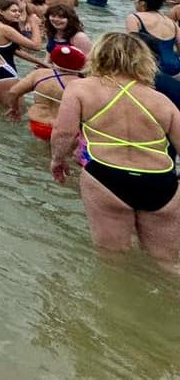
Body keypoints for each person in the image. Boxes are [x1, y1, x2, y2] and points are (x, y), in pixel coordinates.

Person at [49, 32, 180, 265]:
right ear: (143, 60)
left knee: (113, 259)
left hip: (106, 176)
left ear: (99, 55)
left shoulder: (81, 89)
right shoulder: (161, 101)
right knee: (168, 262)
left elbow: (64, 133)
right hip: (160, 182)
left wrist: (57, 160)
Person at [5, 44, 85, 136]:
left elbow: (13, 92)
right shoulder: (81, 84)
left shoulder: (39, 74)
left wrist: (14, 109)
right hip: (60, 129)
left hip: (36, 125)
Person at [0, 0, 45, 97]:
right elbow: (36, 46)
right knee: (17, 111)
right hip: (2, 74)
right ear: (1, 11)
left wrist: (41, 63)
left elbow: (13, 51)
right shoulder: (4, 29)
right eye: (13, 11)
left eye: (19, 11)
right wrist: (34, 23)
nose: (18, 14)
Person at [125, 0, 180, 76]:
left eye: (135, 1)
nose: (134, 3)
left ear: (142, 3)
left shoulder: (134, 17)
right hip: (175, 65)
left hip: (151, 66)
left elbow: (132, 45)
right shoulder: (171, 22)